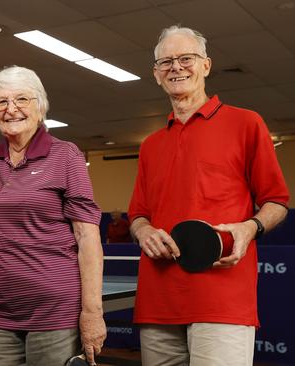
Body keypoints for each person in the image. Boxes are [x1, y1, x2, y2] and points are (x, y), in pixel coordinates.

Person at [128, 25, 289, 366]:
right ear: (156, 74)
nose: (176, 67)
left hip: (223, 300)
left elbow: (276, 201)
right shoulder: (150, 146)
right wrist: (142, 230)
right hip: (157, 302)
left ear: (206, 65)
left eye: (186, 58)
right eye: (166, 62)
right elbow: (138, 214)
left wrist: (250, 228)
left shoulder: (247, 124)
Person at [0, 66, 106, 366]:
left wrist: (92, 312)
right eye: (2, 102)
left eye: (22, 99)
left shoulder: (65, 155)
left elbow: (87, 236)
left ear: (40, 106)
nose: (11, 109)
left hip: (55, 310)